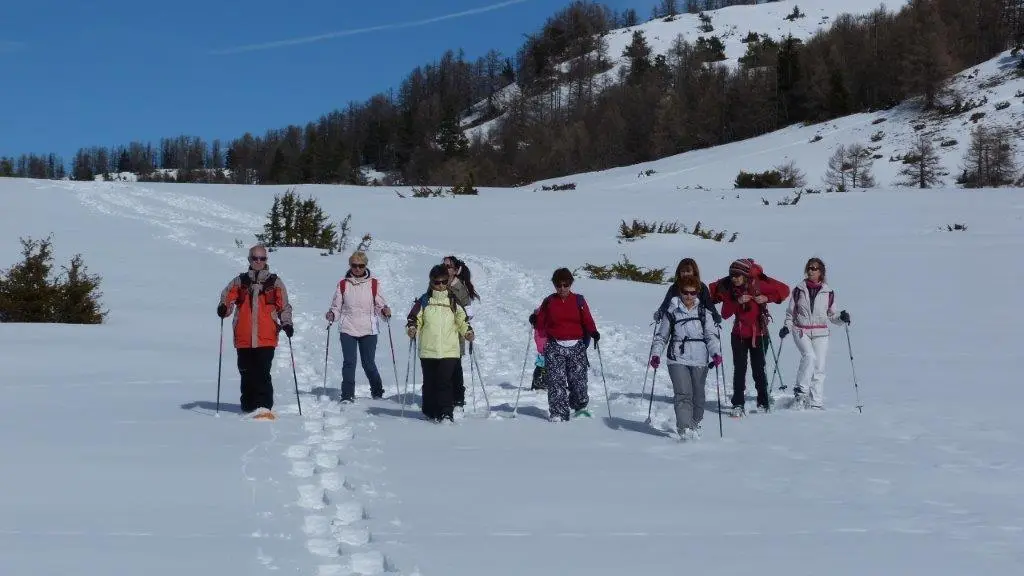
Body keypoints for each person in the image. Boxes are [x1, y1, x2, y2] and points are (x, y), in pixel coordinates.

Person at [217, 245, 294, 419]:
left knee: (262, 372)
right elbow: (227, 299)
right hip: (243, 335)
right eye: (255, 258)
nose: (258, 261)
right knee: (245, 371)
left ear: (266, 260)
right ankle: (248, 407)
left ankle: (264, 408)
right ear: (249, 260)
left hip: (266, 336)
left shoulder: (275, 282)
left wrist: (287, 323)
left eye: (262, 258)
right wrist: (223, 309)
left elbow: (284, 306)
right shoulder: (240, 281)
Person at [709, 258, 789, 416]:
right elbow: (725, 314)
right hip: (738, 334)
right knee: (739, 369)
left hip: (760, 333)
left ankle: (763, 402)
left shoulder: (759, 283)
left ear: (745, 275)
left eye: (738, 276)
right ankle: (738, 404)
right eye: (732, 276)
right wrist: (736, 301)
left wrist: (768, 298)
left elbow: (785, 290)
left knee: (759, 369)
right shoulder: (731, 289)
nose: (734, 279)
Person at [649, 275, 723, 440]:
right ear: (680, 292)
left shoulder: (705, 313)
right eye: (685, 292)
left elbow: (711, 336)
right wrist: (656, 354)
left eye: (693, 292)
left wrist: (715, 353)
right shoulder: (672, 312)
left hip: (699, 359)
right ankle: (684, 429)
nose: (689, 296)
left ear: (698, 293)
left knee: (698, 396)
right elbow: (662, 336)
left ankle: (695, 422)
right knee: (683, 394)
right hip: (677, 358)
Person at [405, 265, 474, 423]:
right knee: (430, 383)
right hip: (429, 350)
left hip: (449, 350)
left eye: (444, 282)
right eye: (437, 282)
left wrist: (468, 332)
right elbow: (414, 318)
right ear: (431, 282)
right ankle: (430, 411)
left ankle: (446, 413)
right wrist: (412, 328)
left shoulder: (453, 301)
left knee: (444, 382)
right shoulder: (424, 301)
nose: (441, 285)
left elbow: (462, 321)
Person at [529, 268, 600, 421]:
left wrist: (593, 332)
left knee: (578, 380)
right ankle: (558, 413)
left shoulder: (579, 300)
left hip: (576, 346)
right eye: (559, 285)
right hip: (555, 346)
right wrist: (534, 320)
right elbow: (541, 322)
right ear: (554, 285)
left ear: (570, 284)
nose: (562, 288)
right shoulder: (549, 301)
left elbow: (587, 320)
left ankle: (579, 407)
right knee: (556, 381)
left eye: (565, 285)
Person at [780, 257, 850, 409]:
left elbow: (832, 315)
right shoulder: (799, 290)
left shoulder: (828, 292)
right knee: (809, 356)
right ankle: (800, 393)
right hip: (801, 330)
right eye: (809, 268)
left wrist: (841, 318)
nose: (811, 271)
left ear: (821, 272)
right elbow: (790, 312)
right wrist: (787, 326)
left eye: (814, 268)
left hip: (821, 332)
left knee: (819, 367)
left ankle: (816, 403)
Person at [325, 251, 392, 403]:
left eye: (361, 266)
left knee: (368, 363)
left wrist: (384, 312)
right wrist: (332, 315)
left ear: (365, 266)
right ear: (350, 266)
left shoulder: (373, 284)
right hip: (348, 328)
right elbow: (336, 306)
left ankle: (377, 392)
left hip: (369, 329)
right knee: (349, 362)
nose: (357, 269)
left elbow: (380, 305)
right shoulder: (343, 284)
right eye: (354, 265)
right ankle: (347, 395)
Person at [441, 256, 480, 414]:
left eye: (449, 266)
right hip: (439, 332)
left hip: (456, 333)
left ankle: (458, 398)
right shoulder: (437, 283)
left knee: (455, 367)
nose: (446, 268)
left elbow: (468, 312)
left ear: (456, 270)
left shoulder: (460, 287)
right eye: (443, 265)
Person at [653, 258, 722, 326]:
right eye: (683, 271)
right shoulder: (674, 287)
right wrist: (660, 312)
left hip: (697, 323)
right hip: (678, 323)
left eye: (688, 271)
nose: (685, 274)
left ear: (694, 272)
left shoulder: (701, 287)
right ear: (679, 272)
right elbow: (666, 304)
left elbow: (708, 304)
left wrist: (715, 314)